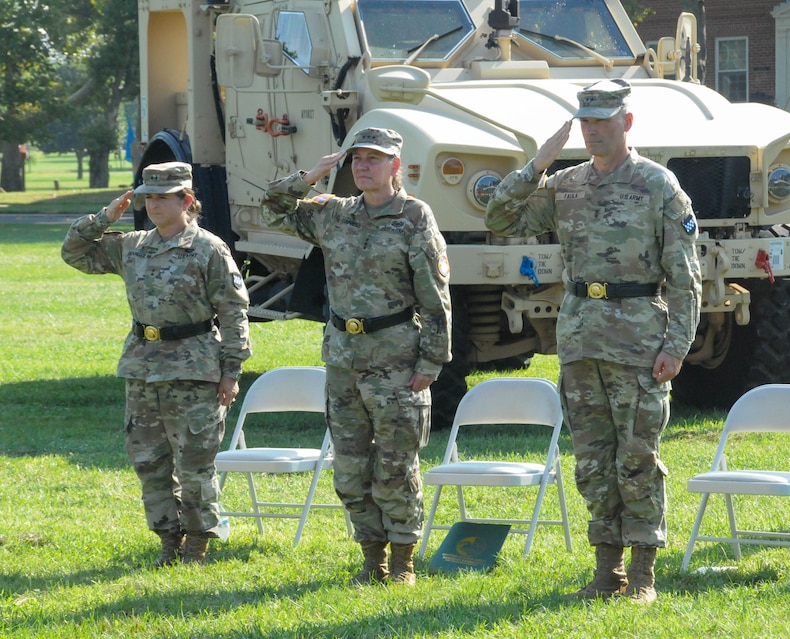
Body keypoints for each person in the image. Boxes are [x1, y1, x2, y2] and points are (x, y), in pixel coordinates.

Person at [485, 79, 701, 604]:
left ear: (627, 122)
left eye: (604, 120)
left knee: (638, 457)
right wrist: (536, 167)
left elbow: (684, 276)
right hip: (580, 336)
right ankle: (608, 574)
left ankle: (644, 575)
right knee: (592, 460)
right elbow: (499, 217)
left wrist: (676, 344)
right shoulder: (567, 184)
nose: (594, 130)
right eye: (586, 121)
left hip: (639, 341)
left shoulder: (658, 185)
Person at [260, 128, 452, 586]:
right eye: (357, 159)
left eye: (375, 159)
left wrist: (431, 361)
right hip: (344, 359)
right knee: (349, 466)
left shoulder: (413, 216)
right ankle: (372, 558)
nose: (363, 167)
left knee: (395, 465)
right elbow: (272, 209)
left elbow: (435, 294)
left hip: (396, 359)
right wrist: (310, 177)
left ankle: (402, 559)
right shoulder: (334, 214)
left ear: (396, 166)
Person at [62, 161, 251, 567]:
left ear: (187, 201)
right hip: (142, 367)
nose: (154, 204)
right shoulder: (132, 244)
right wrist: (103, 218)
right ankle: (169, 540)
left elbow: (234, 312)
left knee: (195, 462)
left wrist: (231, 371)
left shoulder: (208, 248)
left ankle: (199, 543)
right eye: (149, 197)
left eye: (163, 197)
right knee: (149, 461)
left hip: (195, 366)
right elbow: (74, 252)